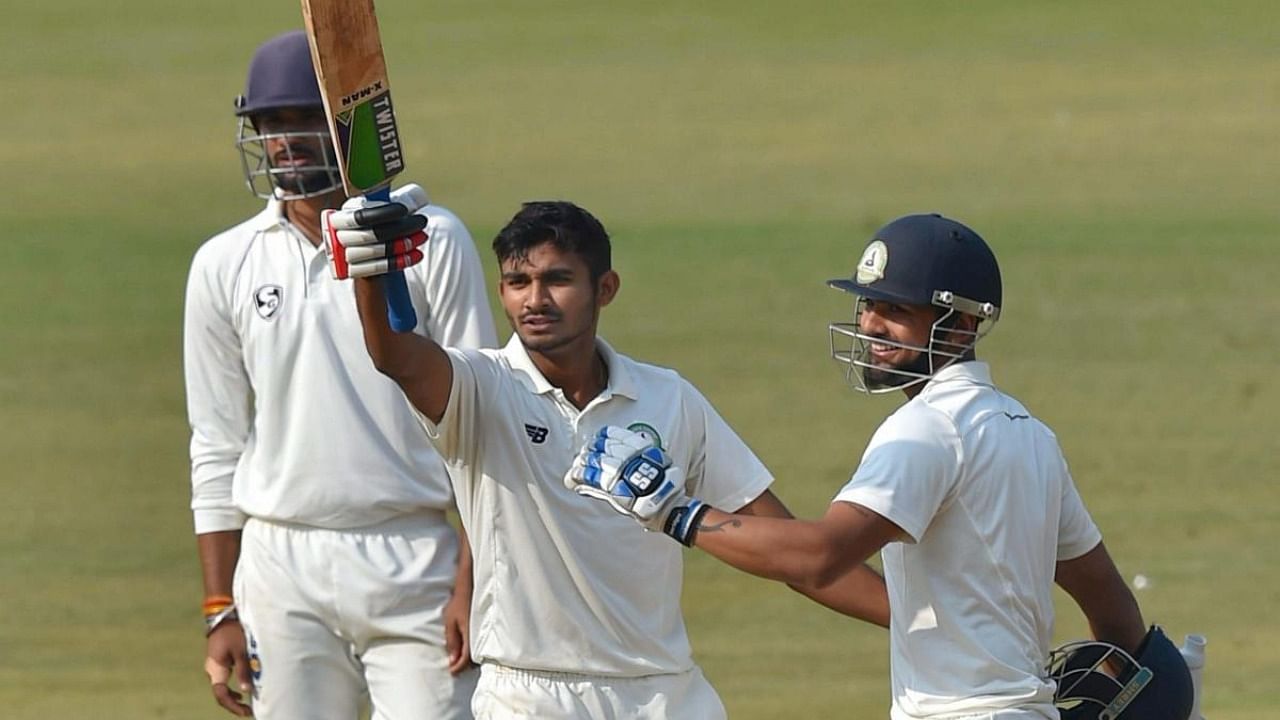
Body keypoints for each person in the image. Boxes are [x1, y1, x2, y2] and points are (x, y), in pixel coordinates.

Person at [564, 214, 1195, 719]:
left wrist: (672, 509)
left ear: (963, 324)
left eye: (896, 310)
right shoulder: (1029, 432)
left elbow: (818, 557)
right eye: (868, 305)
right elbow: (1114, 611)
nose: (869, 325)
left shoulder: (924, 430)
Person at [321, 198, 890, 719]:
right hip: (529, 695)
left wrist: (918, 620)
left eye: (557, 280)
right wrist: (371, 272)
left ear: (606, 288)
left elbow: (784, 545)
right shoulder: (479, 387)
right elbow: (394, 354)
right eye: (517, 282)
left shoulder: (669, 399)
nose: (534, 300)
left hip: (664, 694)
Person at [183, 30, 496, 719]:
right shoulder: (223, 263)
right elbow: (215, 444)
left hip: (415, 557)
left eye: (301, 119)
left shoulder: (429, 239)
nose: (284, 140)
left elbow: (482, 424)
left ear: (345, 129)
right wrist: (218, 608)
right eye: (269, 123)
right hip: (278, 565)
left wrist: (474, 584)